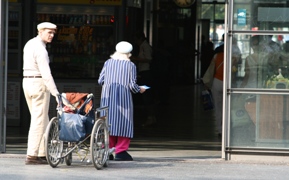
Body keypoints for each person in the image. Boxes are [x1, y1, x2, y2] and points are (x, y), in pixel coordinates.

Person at [98, 41, 146, 161]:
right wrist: (140, 89)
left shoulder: (108, 63)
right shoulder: (131, 66)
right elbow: (131, 85)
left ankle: (107, 149)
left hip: (107, 97)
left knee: (109, 122)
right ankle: (121, 151)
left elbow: (100, 80)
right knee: (124, 123)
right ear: (129, 53)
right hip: (123, 99)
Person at [23, 22, 59, 165]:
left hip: (28, 82)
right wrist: (56, 93)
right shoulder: (41, 50)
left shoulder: (30, 43)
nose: (51, 36)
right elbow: (46, 74)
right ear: (40, 31)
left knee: (42, 119)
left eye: (53, 33)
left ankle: (43, 153)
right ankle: (32, 155)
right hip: (39, 84)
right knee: (38, 121)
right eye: (49, 32)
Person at [131, 31, 157, 127]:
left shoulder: (145, 47)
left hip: (146, 73)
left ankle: (150, 117)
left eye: (136, 39)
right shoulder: (142, 47)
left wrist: (136, 59)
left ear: (140, 39)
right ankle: (151, 117)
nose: (135, 41)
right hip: (144, 72)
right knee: (146, 95)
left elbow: (149, 59)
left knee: (147, 95)